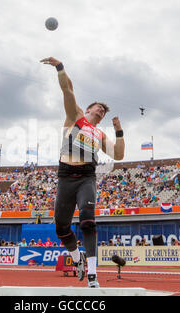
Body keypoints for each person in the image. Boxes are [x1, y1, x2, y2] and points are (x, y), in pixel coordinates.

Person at [41, 57, 125, 288]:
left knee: (88, 222)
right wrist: (60, 67)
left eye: (104, 112)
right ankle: (76, 258)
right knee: (61, 228)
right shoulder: (74, 117)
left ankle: (92, 274)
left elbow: (118, 156)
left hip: (87, 177)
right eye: (99, 107)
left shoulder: (100, 135)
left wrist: (119, 131)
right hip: (66, 176)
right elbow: (67, 89)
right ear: (88, 109)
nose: (102, 111)